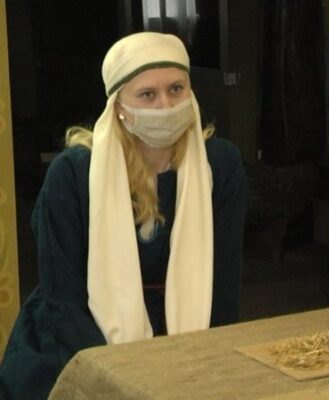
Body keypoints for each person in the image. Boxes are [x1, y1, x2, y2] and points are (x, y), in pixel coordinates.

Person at [0, 31, 247, 399]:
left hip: (188, 329)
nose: (165, 105)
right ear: (118, 105)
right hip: (79, 334)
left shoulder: (219, 166)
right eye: (147, 94)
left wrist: (204, 363)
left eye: (176, 89)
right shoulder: (72, 175)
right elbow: (62, 298)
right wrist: (113, 378)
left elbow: (223, 285)